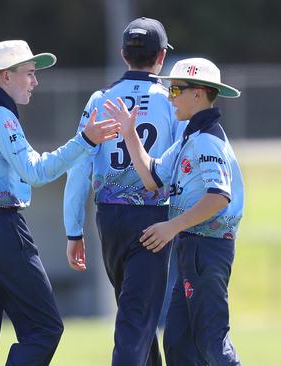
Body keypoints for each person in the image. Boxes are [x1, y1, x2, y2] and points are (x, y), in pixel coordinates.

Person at [0, 40, 120, 366]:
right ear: (5, 76)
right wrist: (85, 140)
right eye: (29, 73)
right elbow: (36, 171)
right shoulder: (1, 117)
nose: (35, 82)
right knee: (44, 327)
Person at [105, 57, 243, 365]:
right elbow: (152, 177)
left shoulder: (208, 141)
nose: (170, 96)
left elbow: (219, 196)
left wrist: (172, 227)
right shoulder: (189, 137)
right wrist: (129, 134)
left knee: (211, 341)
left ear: (199, 94)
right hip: (190, 248)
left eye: (177, 89)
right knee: (178, 342)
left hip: (207, 248)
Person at [62, 17, 182, 366]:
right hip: (153, 219)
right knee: (135, 319)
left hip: (109, 220)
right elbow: (180, 163)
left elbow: (78, 168)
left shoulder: (100, 99)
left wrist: (74, 230)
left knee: (137, 315)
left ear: (122, 55)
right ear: (161, 57)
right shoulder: (170, 101)